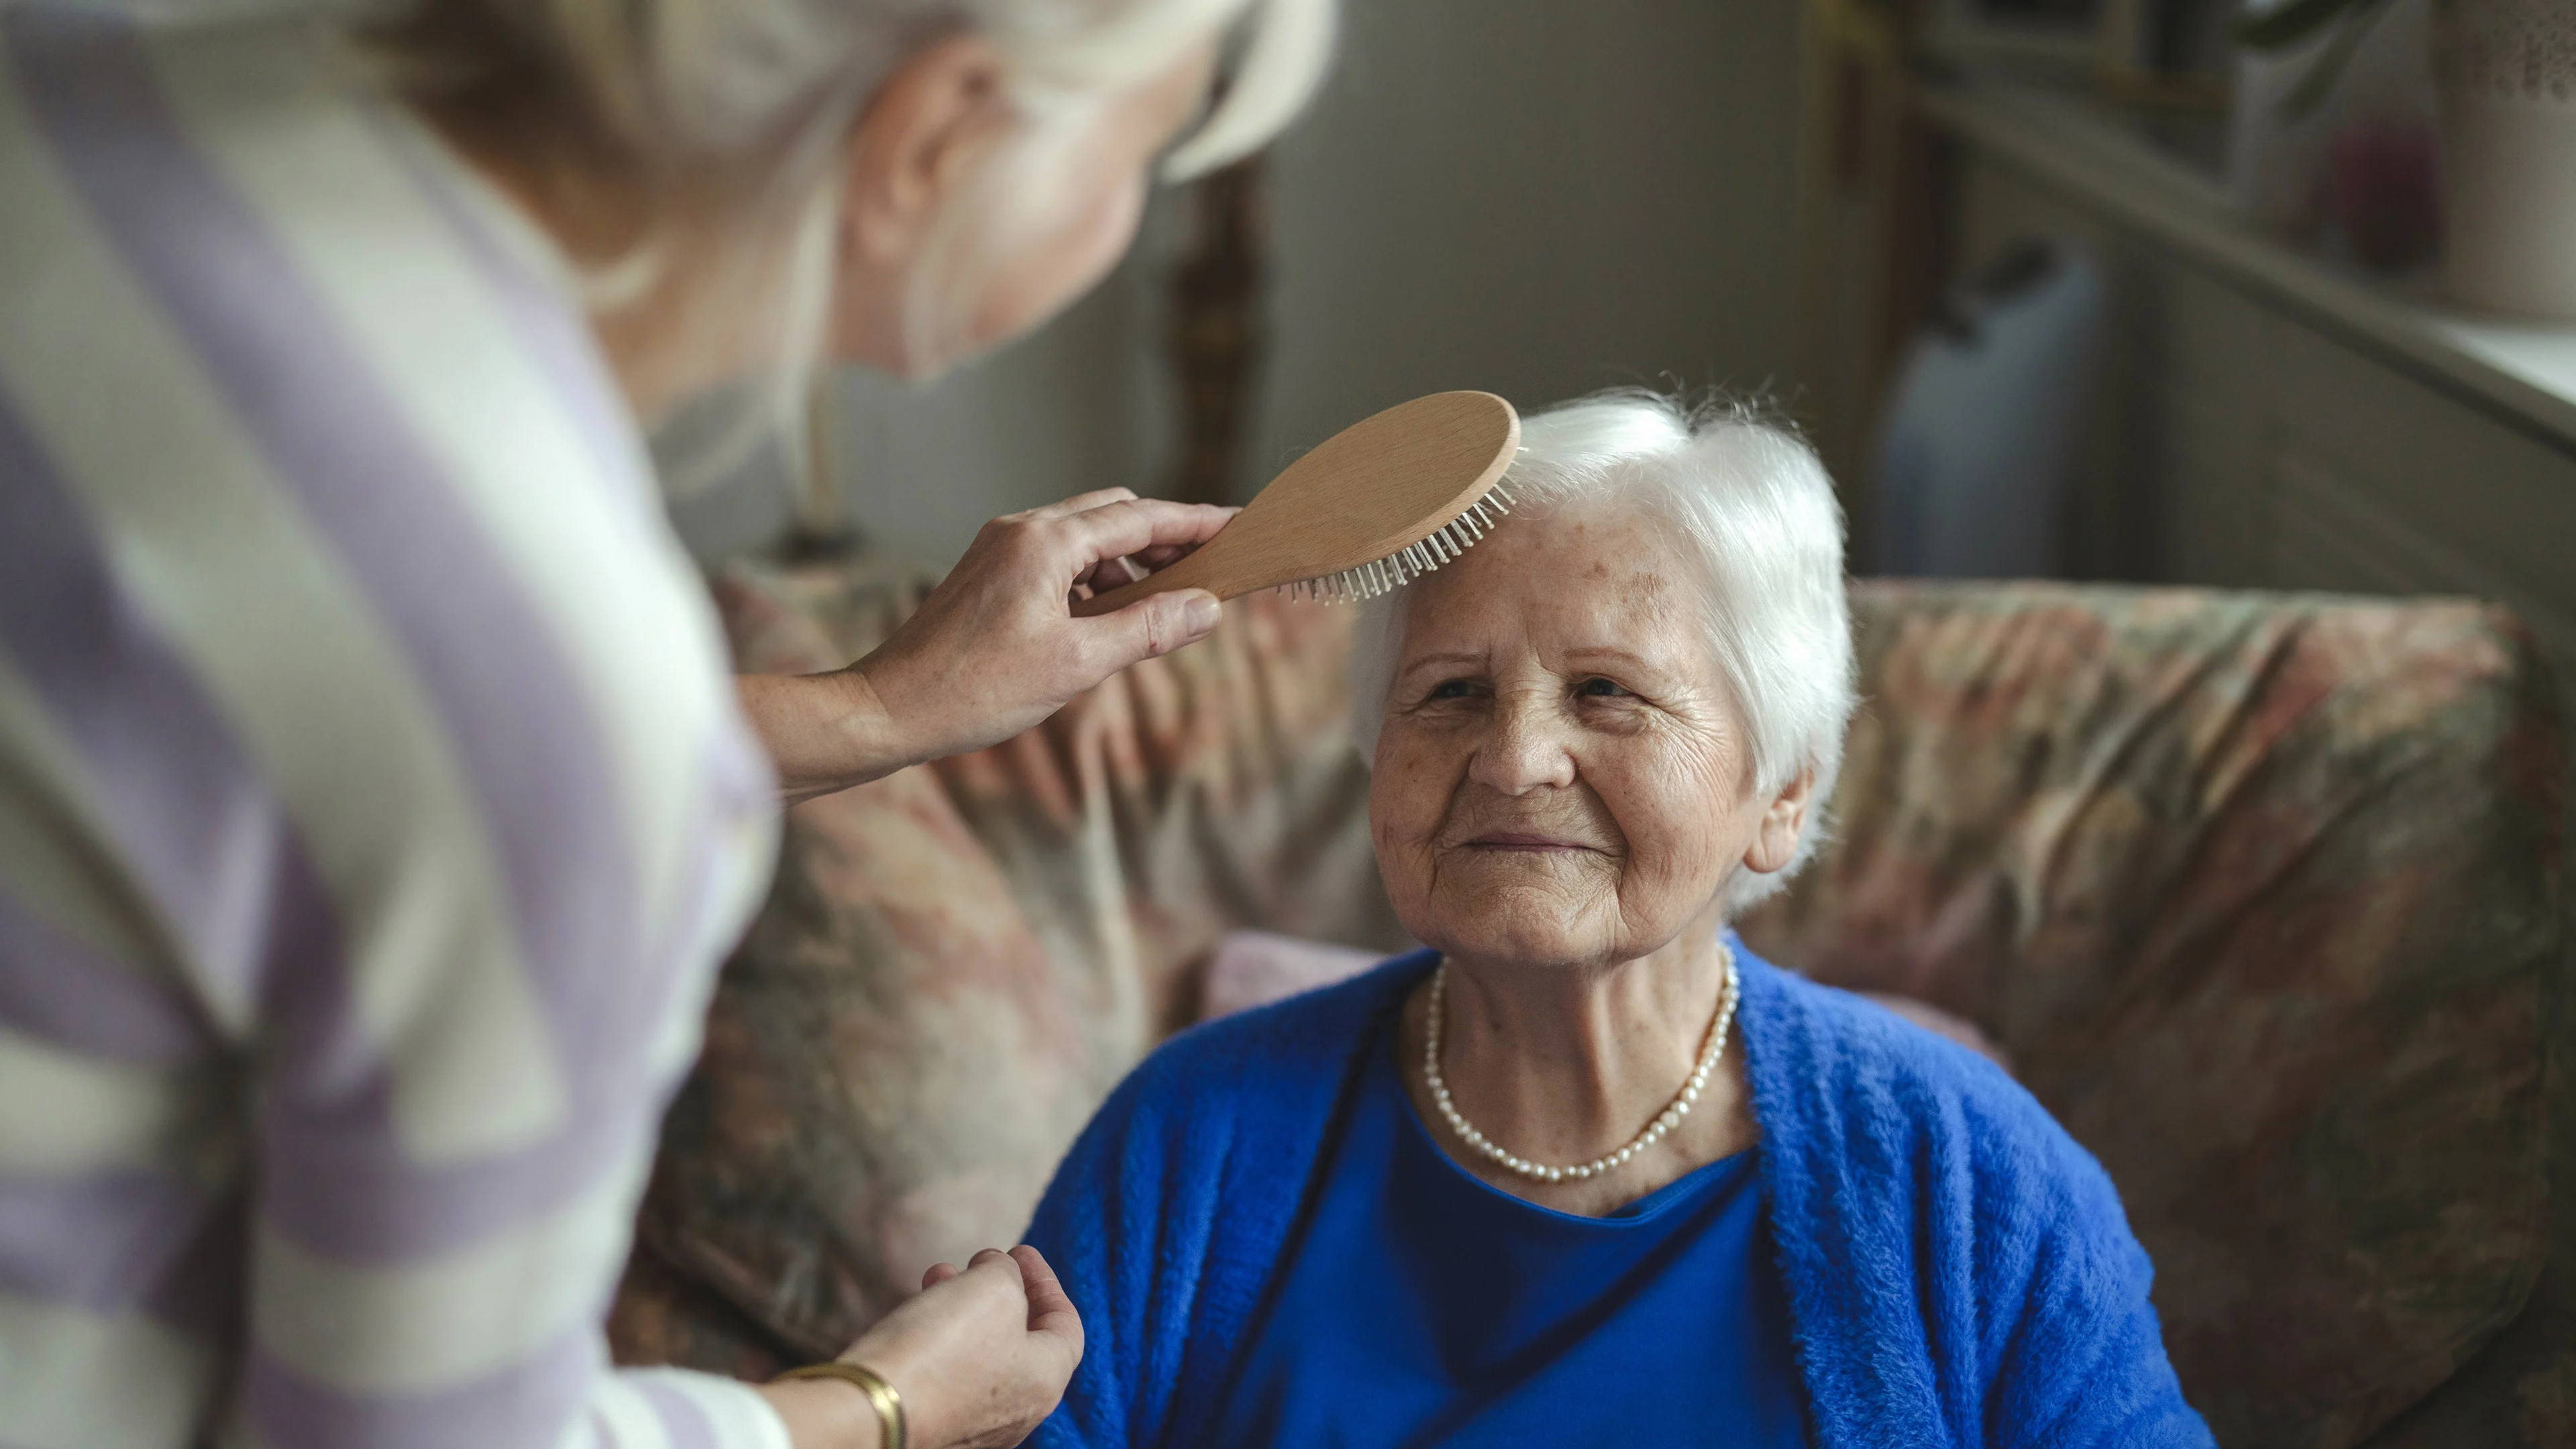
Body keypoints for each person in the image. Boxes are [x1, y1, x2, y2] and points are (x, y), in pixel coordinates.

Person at [0, 0, 1332, 1446]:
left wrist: (875, 709)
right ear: (938, 137)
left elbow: (273, 738)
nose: (1133, 210)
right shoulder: (542, 677)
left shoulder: (103, 72)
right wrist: (872, 1407)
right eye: (1157, 140)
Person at [1022, 393, 2218, 1448]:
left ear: (1783, 796)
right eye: (1450, 693)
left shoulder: (1968, 1183)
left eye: (1608, 692)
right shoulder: (1189, 1144)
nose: (1515, 757)